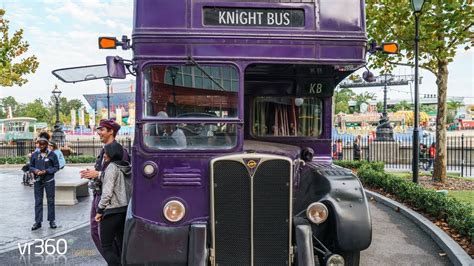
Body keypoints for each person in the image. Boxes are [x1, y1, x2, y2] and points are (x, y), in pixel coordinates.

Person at [80, 119, 130, 257]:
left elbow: (124, 173)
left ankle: (115, 261)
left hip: (110, 200)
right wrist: (93, 174)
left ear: (111, 131)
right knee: (98, 233)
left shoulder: (120, 151)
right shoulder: (104, 151)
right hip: (99, 195)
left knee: (107, 237)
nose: (98, 133)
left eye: (102, 130)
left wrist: (98, 174)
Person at [95, 141, 132, 265]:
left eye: (105, 152)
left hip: (111, 212)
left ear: (111, 153)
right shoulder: (126, 167)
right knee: (122, 246)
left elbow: (107, 193)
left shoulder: (111, 167)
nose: (104, 155)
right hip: (124, 211)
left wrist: (100, 210)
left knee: (106, 247)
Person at [29, 137, 60, 230]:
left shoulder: (52, 155)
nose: (41, 146)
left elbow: (56, 167)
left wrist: (46, 171)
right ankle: (38, 222)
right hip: (38, 181)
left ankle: (52, 221)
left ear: (47, 145)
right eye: (40, 144)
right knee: (38, 201)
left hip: (49, 181)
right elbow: (30, 166)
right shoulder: (35, 154)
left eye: (43, 144)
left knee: (50, 200)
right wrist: (35, 170)